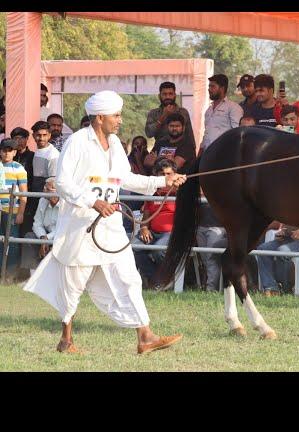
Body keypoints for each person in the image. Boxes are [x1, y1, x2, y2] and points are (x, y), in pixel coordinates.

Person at [24, 90, 186, 355]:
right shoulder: (77, 142)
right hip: (81, 226)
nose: (120, 120)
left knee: (129, 277)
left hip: (111, 228)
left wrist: (162, 181)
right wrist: (92, 201)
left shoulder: (115, 146)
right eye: (116, 115)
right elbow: (63, 183)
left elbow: (127, 180)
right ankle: (66, 339)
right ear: (100, 117)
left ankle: (145, 336)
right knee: (73, 285)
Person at [132, 159, 178, 288]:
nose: (165, 177)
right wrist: (144, 228)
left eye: (169, 174)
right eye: (162, 174)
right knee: (134, 247)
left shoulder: (179, 192)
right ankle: (156, 280)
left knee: (159, 250)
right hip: (153, 233)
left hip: (171, 233)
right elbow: (146, 216)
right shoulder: (152, 192)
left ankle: (164, 278)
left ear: (175, 174)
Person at [0, 138, 28, 281]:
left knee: (12, 242)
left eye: (9, 150)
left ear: (15, 152)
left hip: (12, 211)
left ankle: (10, 275)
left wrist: (21, 213)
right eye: (4, 150)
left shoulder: (19, 168)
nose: (6, 153)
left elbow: (23, 192)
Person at [21, 178, 60, 273]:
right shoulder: (42, 200)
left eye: (47, 188)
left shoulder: (66, 205)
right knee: (29, 237)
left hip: (60, 236)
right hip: (44, 235)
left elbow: (64, 228)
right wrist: (43, 238)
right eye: (44, 187)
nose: (44, 190)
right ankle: (32, 277)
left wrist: (47, 238)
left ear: (57, 191)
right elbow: (37, 223)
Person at [200, 74, 243, 152]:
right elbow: (206, 133)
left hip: (224, 153)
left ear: (222, 88)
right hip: (207, 154)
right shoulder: (208, 110)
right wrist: (200, 152)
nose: (209, 89)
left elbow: (238, 133)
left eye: (213, 86)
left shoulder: (233, 107)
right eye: (209, 86)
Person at [145, 81, 195, 146]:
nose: (167, 97)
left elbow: (190, 135)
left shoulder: (183, 112)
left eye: (170, 94)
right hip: (160, 150)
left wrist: (192, 152)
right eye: (164, 94)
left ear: (175, 95)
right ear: (159, 96)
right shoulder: (153, 113)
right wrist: (163, 116)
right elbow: (149, 133)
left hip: (180, 150)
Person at [196, 199, 227, 292]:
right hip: (200, 226)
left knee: (211, 257)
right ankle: (210, 284)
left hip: (217, 226)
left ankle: (211, 289)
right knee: (205, 259)